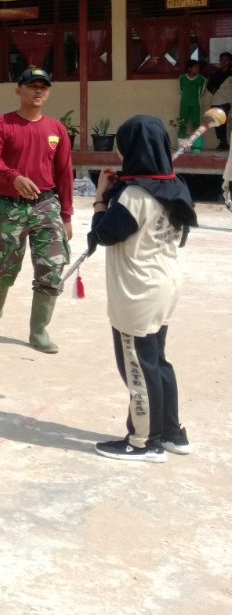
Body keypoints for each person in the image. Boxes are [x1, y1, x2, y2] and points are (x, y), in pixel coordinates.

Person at [88, 115, 197, 462]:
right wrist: (116, 188)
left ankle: (144, 442)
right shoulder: (175, 186)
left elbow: (103, 234)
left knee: (137, 366)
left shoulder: (135, 196)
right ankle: (171, 433)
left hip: (138, 291)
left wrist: (101, 198)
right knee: (156, 360)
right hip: (165, 283)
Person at [0, 66, 73, 353]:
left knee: (52, 267)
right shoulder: (1, 124)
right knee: (2, 266)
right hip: (10, 207)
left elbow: (65, 173)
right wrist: (13, 177)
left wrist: (67, 216)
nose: (38, 90)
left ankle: (38, 330)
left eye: (43, 87)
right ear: (18, 90)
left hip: (46, 206)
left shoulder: (56, 130)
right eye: (32, 85)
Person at [205, 51, 232, 150]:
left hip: (229, 101)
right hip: (218, 100)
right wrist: (218, 92)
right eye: (221, 60)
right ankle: (223, 142)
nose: (223, 62)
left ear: (230, 61)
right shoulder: (216, 74)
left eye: (226, 60)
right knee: (219, 122)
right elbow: (210, 86)